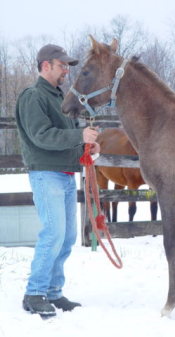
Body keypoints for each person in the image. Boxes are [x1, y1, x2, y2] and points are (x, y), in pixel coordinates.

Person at [15, 44, 100, 317]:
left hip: (63, 173)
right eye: (61, 65)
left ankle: (52, 292)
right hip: (46, 173)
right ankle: (34, 293)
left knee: (66, 238)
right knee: (53, 234)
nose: (66, 70)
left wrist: (86, 147)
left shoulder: (57, 96)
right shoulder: (33, 96)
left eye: (67, 66)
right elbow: (42, 136)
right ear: (45, 66)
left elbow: (66, 135)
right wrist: (79, 137)